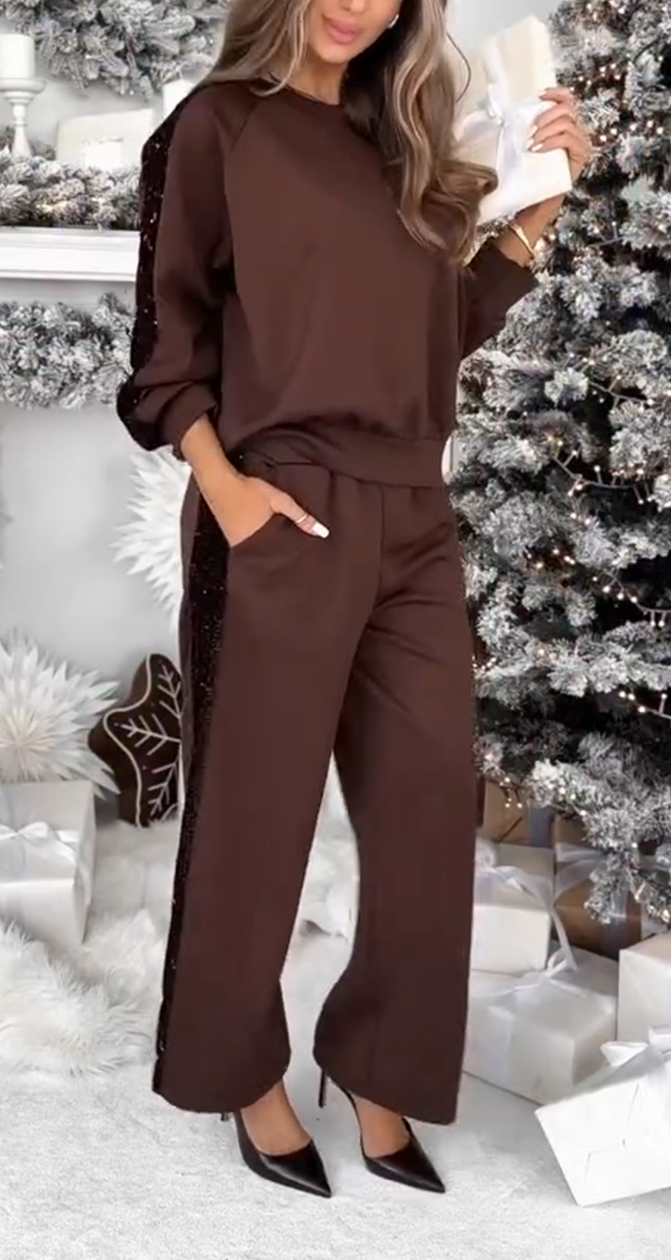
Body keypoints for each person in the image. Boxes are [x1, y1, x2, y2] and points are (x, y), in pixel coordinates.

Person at [118, 0, 592, 1199]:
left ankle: (380, 1062)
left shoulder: (404, 141)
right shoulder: (219, 127)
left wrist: (538, 209)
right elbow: (166, 339)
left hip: (414, 517)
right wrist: (228, 493)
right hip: (282, 502)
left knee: (428, 812)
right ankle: (242, 1073)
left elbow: (436, 333)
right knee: (255, 819)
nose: (356, 2)